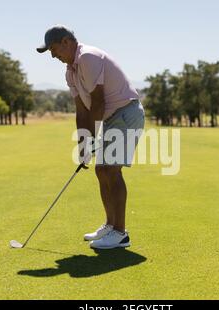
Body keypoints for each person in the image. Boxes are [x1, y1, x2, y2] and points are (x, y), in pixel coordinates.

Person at [37, 25, 145, 249]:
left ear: (67, 41)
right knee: (101, 169)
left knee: (111, 170)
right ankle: (110, 225)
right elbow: (81, 110)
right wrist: (83, 144)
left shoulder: (87, 57)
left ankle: (120, 233)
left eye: (54, 49)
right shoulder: (71, 71)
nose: (53, 55)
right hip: (111, 118)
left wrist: (92, 139)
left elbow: (98, 102)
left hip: (125, 113)